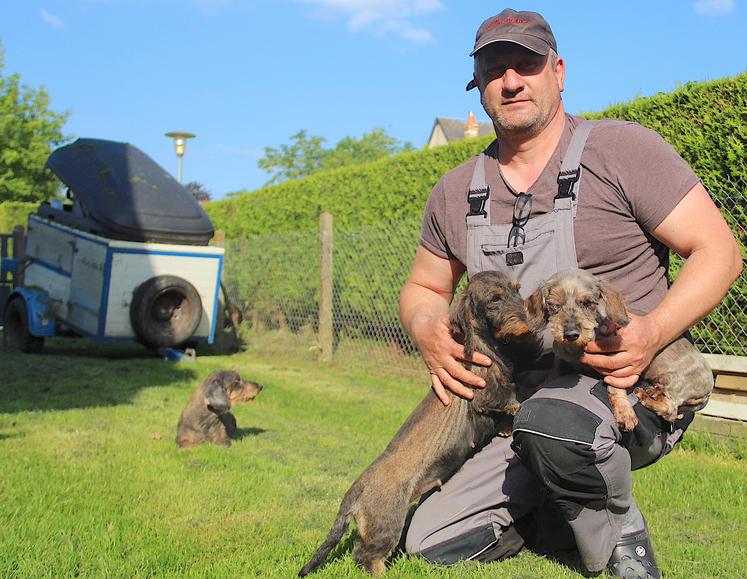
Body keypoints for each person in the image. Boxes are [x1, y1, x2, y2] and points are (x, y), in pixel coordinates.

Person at [399, 8, 742, 578]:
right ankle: (557, 513)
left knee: (556, 426)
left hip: (631, 387)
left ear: (559, 71)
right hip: (521, 407)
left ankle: (621, 544)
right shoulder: (457, 190)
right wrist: (427, 328)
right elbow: (423, 286)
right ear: (479, 87)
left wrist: (653, 330)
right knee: (430, 541)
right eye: (494, 70)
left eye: (527, 65)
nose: (511, 81)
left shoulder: (623, 151)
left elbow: (721, 253)